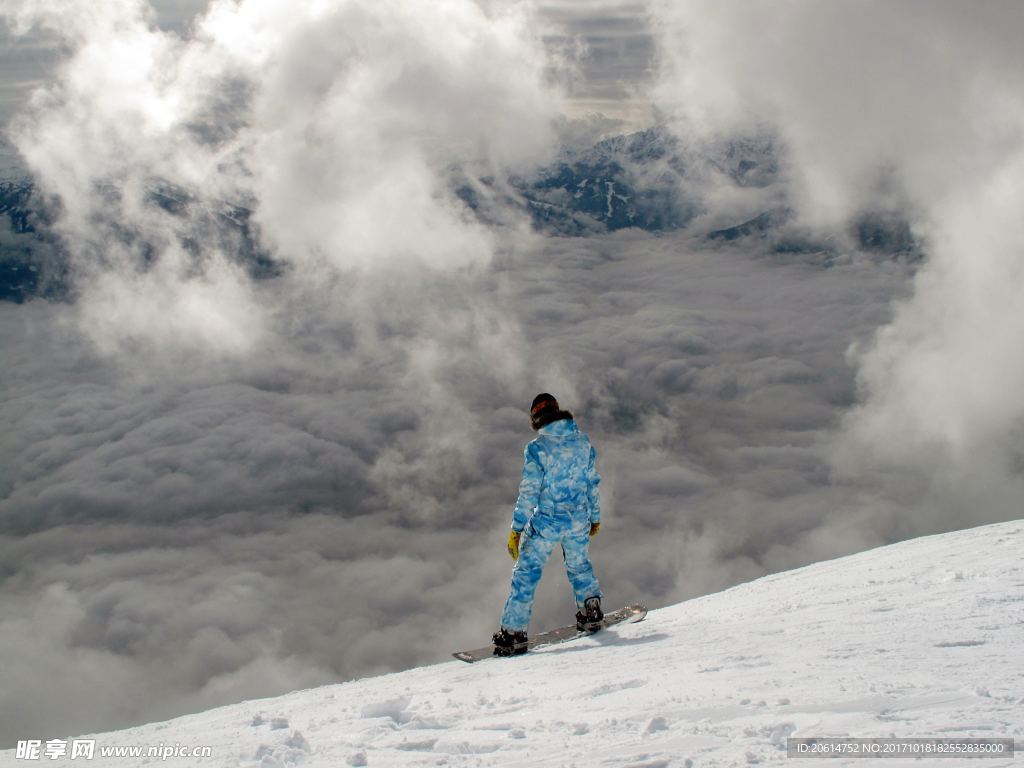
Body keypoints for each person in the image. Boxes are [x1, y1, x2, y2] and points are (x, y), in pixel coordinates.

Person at [493, 393, 604, 656]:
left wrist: (516, 529)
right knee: (579, 565)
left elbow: (529, 492)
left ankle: (513, 633)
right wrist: (595, 517)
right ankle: (592, 611)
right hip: (579, 519)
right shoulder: (583, 442)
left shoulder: (537, 448)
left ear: (537, 419)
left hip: (547, 522)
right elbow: (592, 483)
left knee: (526, 574)